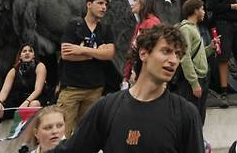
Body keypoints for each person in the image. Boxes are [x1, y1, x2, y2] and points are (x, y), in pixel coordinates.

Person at [51, 25, 204, 152]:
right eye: (166, 51)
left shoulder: (186, 114)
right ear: (143, 53)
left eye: (178, 54)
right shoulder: (107, 107)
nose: (173, 60)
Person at [57, 0, 115, 137]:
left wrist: (81, 49)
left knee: (86, 136)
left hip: (95, 89)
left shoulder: (106, 29)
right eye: (100, 3)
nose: (104, 7)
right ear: (89, 5)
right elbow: (66, 54)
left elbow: (109, 54)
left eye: (106, 4)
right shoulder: (74, 25)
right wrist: (96, 54)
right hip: (71, 88)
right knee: (62, 134)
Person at [0, 44, 47, 152]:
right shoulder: (13, 71)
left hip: (31, 100)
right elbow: (4, 90)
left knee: (34, 105)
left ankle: (24, 146)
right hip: (14, 102)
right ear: (20, 56)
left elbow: (38, 89)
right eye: (24, 51)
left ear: (34, 55)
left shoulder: (40, 66)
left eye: (30, 51)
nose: (27, 53)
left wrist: (26, 102)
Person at [173, 0, 219, 124]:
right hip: (193, 81)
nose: (204, 12)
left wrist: (211, 48)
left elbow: (198, 53)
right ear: (195, 10)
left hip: (201, 78)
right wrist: (194, 83)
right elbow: (185, 56)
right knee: (192, 119)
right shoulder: (186, 29)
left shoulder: (194, 28)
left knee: (199, 118)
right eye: (202, 9)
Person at [123, 0, 161, 85]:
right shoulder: (140, 24)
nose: (132, 4)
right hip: (137, 73)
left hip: (145, 76)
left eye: (136, 0)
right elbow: (133, 51)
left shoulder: (152, 23)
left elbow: (148, 51)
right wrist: (126, 76)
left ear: (144, 3)